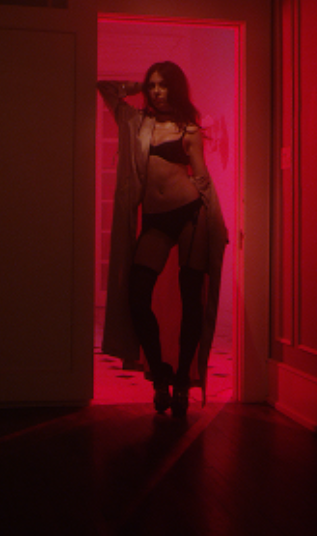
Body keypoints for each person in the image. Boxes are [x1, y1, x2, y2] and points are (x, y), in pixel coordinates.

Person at [97, 61, 228, 418]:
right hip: (155, 220)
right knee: (137, 296)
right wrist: (136, 86)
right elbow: (105, 88)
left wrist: (215, 220)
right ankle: (159, 374)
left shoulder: (189, 129)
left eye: (163, 85)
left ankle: (182, 379)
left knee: (191, 299)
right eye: (152, 85)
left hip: (191, 215)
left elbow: (201, 178)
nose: (156, 91)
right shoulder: (137, 122)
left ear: (176, 88)